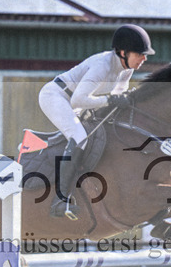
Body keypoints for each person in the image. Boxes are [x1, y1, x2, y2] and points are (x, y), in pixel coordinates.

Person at [38, 24, 155, 220]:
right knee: (80, 138)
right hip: (56, 96)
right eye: (140, 54)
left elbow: (116, 99)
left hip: (79, 104)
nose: (145, 58)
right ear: (123, 52)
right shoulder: (102, 65)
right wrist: (110, 100)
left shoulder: (126, 69)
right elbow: (78, 99)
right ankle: (59, 200)